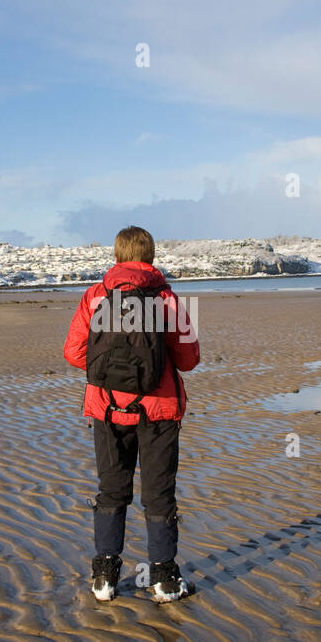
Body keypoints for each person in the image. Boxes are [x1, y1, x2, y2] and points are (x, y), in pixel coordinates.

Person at [62, 226, 200, 603]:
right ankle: (164, 580)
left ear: (117, 255)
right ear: (151, 257)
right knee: (159, 494)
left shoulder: (94, 297)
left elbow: (74, 353)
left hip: (106, 407)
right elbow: (189, 359)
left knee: (111, 490)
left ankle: (104, 578)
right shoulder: (167, 300)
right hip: (158, 411)